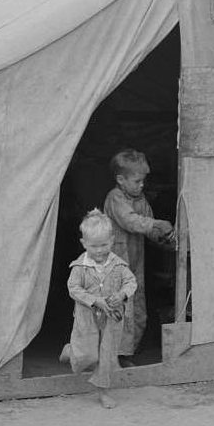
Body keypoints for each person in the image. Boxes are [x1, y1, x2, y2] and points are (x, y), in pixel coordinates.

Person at [60, 209, 137, 408]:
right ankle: (71, 352)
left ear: (112, 240)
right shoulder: (79, 268)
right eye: (94, 246)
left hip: (111, 319)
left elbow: (131, 282)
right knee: (88, 354)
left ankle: (103, 392)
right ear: (84, 243)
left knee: (106, 356)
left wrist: (121, 295)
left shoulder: (119, 266)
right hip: (87, 318)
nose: (100, 250)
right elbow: (73, 288)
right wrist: (94, 300)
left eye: (104, 245)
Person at [103, 148, 174, 364]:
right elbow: (132, 221)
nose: (141, 185)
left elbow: (148, 226)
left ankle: (129, 349)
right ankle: (118, 354)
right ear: (121, 180)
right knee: (120, 310)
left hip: (135, 266)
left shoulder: (141, 199)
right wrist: (156, 224)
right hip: (116, 267)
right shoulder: (115, 198)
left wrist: (165, 239)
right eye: (137, 181)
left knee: (138, 310)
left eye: (143, 180)